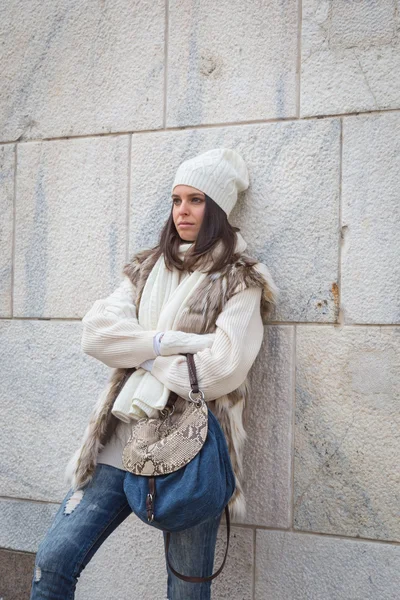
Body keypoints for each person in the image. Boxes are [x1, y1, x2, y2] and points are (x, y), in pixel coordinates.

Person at [29, 148, 279, 600]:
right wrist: (167, 345)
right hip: (119, 439)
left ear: (217, 209)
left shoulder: (241, 280)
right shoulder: (146, 267)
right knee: (54, 561)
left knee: (185, 592)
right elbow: (95, 334)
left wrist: (139, 352)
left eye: (196, 200)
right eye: (176, 199)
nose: (182, 211)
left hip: (191, 448)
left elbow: (220, 368)